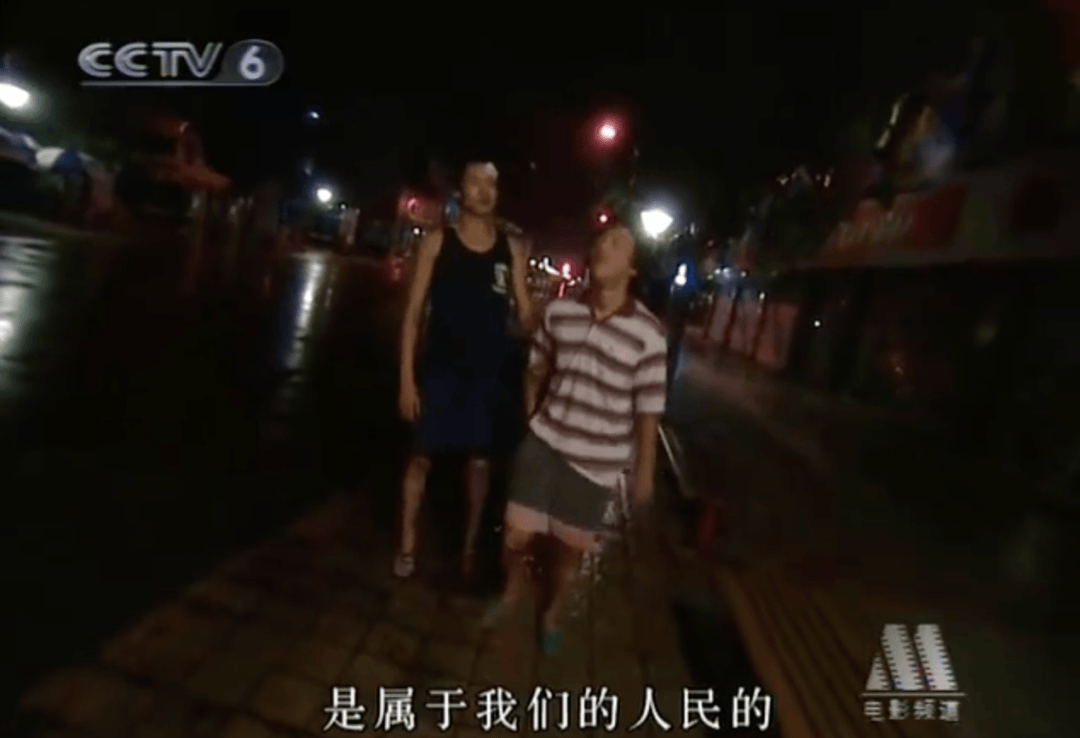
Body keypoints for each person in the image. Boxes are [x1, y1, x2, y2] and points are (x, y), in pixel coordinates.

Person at [483, 224, 667, 653]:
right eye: (601, 240)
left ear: (632, 269)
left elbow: (648, 411)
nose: (604, 246)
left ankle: (552, 613)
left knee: (567, 554)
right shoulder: (561, 312)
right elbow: (536, 367)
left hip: (595, 465)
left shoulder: (648, 334)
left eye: (617, 244)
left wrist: (644, 472)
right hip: (544, 445)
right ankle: (512, 589)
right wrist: (532, 419)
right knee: (514, 537)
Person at [394, 161, 533, 581]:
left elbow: (525, 314)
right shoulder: (439, 242)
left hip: (487, 377)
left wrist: (548, 320)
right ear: (462, 191)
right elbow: (413, 315)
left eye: (491, 183)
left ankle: (469, 547)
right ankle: (407, 544)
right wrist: (406, 380)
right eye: (475, 182)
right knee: (420, 459)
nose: (484, 191)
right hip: (439, 370)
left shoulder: (511, 250)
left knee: (479, 465)